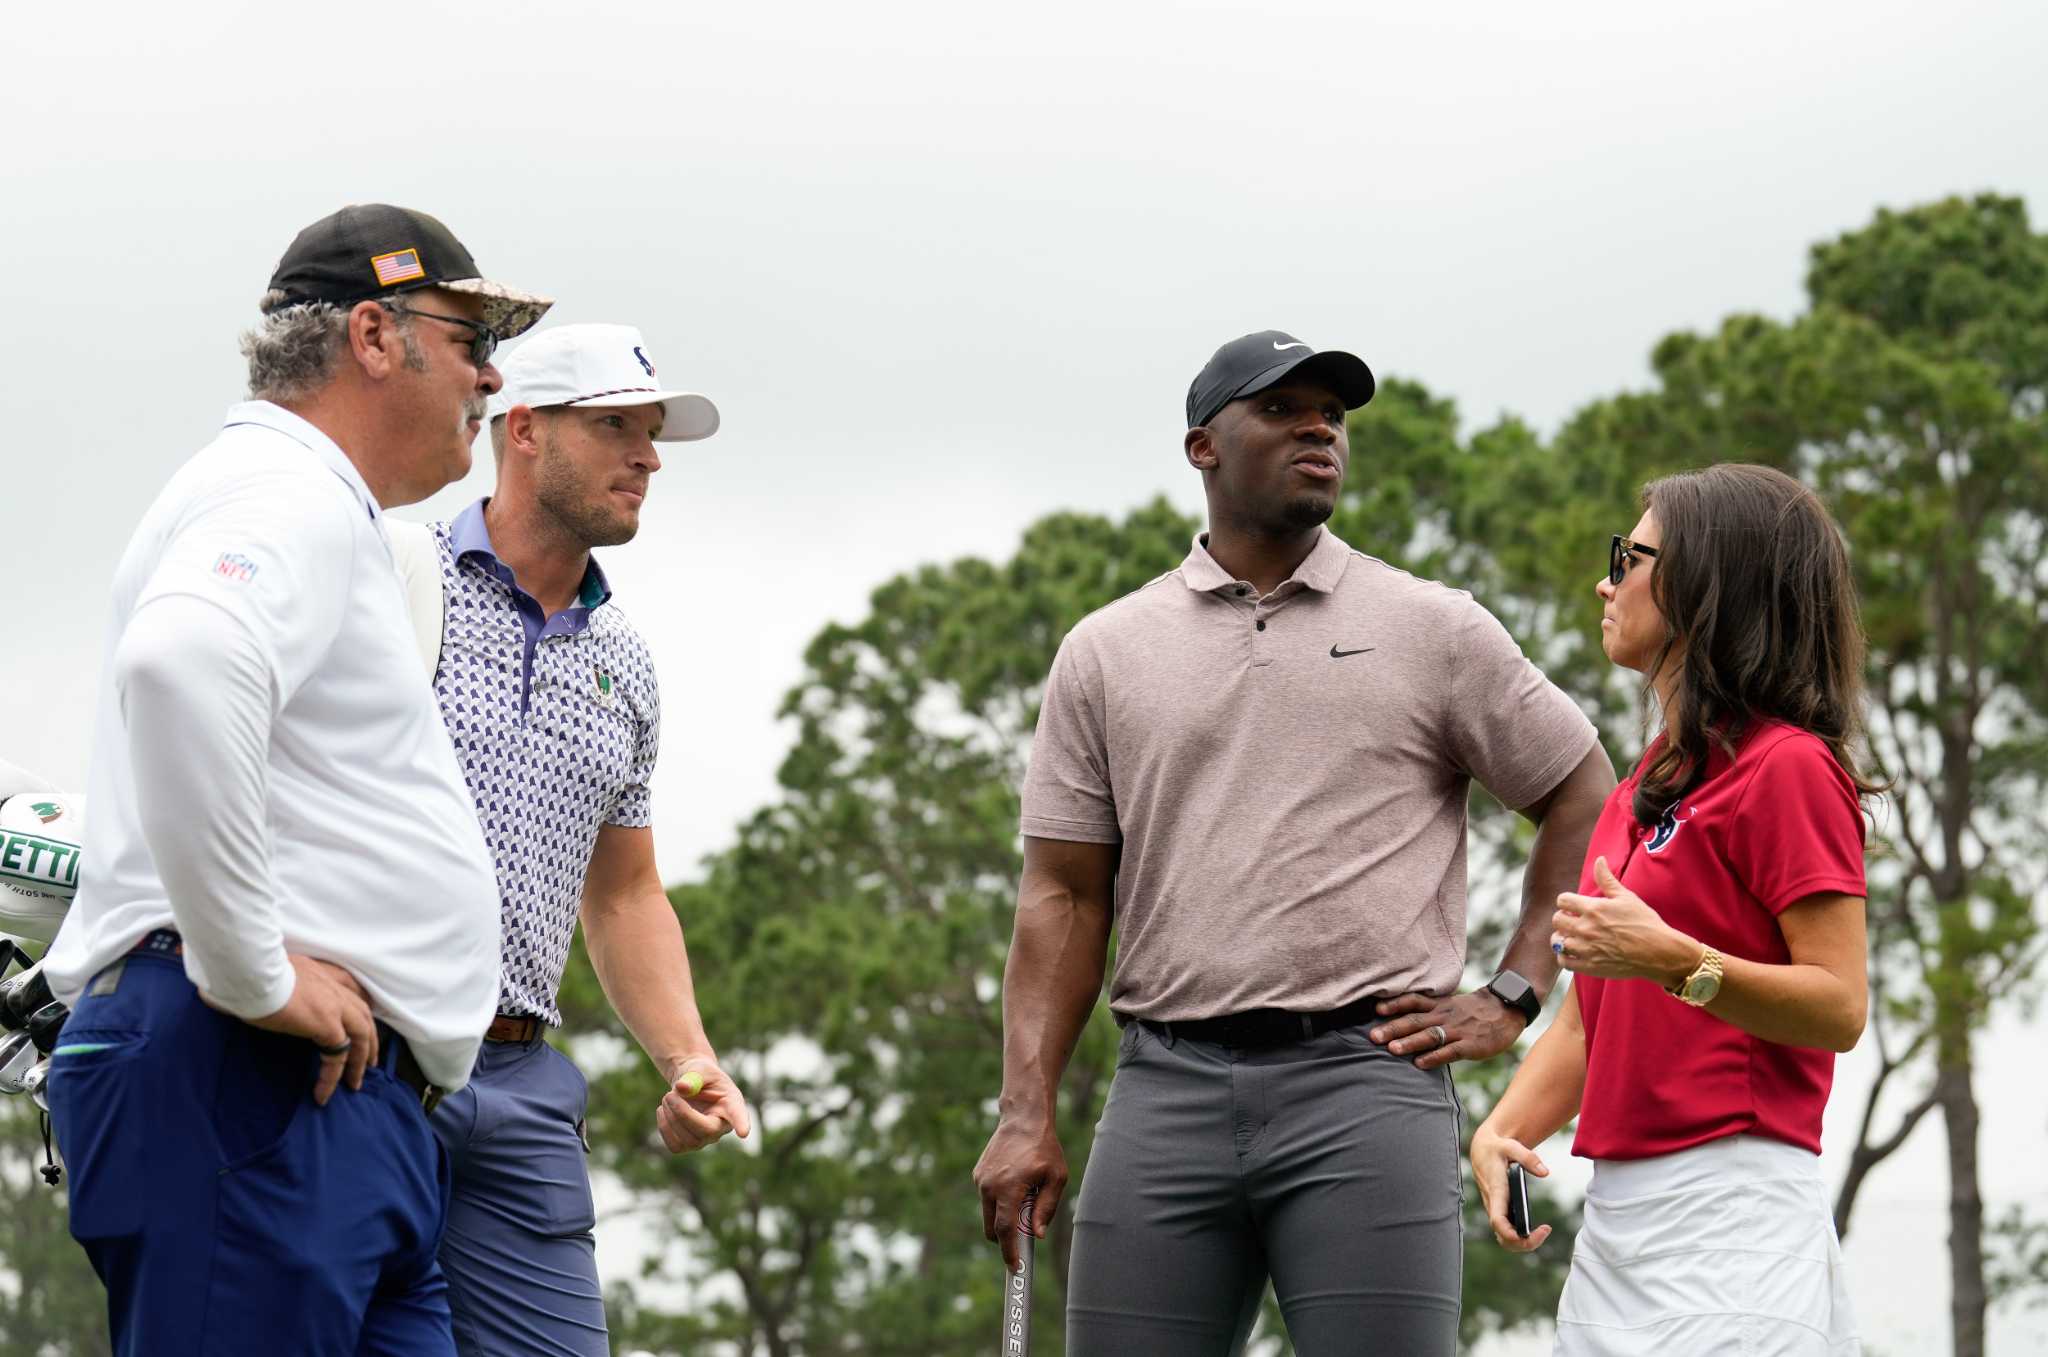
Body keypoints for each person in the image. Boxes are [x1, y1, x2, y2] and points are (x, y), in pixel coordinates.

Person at [972, 330, 1617, 1355]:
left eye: (1333, 414)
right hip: (1162, 1091)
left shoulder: (1431, 626)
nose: (1318, 426)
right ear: (1202, 448)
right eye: (1280, 409)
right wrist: (1022, 1111)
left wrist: (1512, 992)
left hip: (1365, 1087)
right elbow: (1061, 897)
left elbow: (1585, 795)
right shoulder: (1103, 650)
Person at [40, 204, 550, 1355]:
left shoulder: (302, 499)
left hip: (322, 1104)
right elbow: (183, 659)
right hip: (259, 1079)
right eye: (471, 336)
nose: (491, 374)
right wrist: (253, 970)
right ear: (374, 336)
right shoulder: (287, 488)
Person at [382, 321, 749, 1357]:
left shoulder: (624, 662)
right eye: (616, 428)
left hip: (519, 1083)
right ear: (526, 430)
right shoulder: (396, 578)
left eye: (651, 433)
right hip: (370, 1059)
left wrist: (688, 1057)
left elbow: (624, 893)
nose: (647, 456)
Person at [1469, 463, 1876, 1355]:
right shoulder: (1642, 788)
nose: (1604, 581)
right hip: (1618, 1232)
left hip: (1734, 1221)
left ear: (1708, 587)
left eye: (1631, 556)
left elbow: (1840, 1006)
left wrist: (1672, 958)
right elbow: (1592, 1019)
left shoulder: (1789, 767)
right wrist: (1503, 1126)